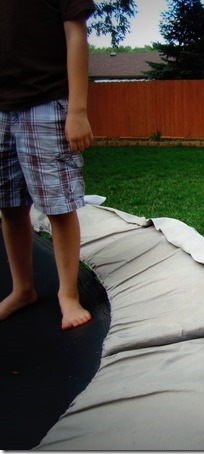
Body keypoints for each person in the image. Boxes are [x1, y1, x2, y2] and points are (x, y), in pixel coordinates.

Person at [0, 0, 96, 330]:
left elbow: (76, 35)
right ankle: (22, 289)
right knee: (9, 205)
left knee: (59, 205)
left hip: (46, 101)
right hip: (2, 106)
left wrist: (78, 110)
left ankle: (68, 294)